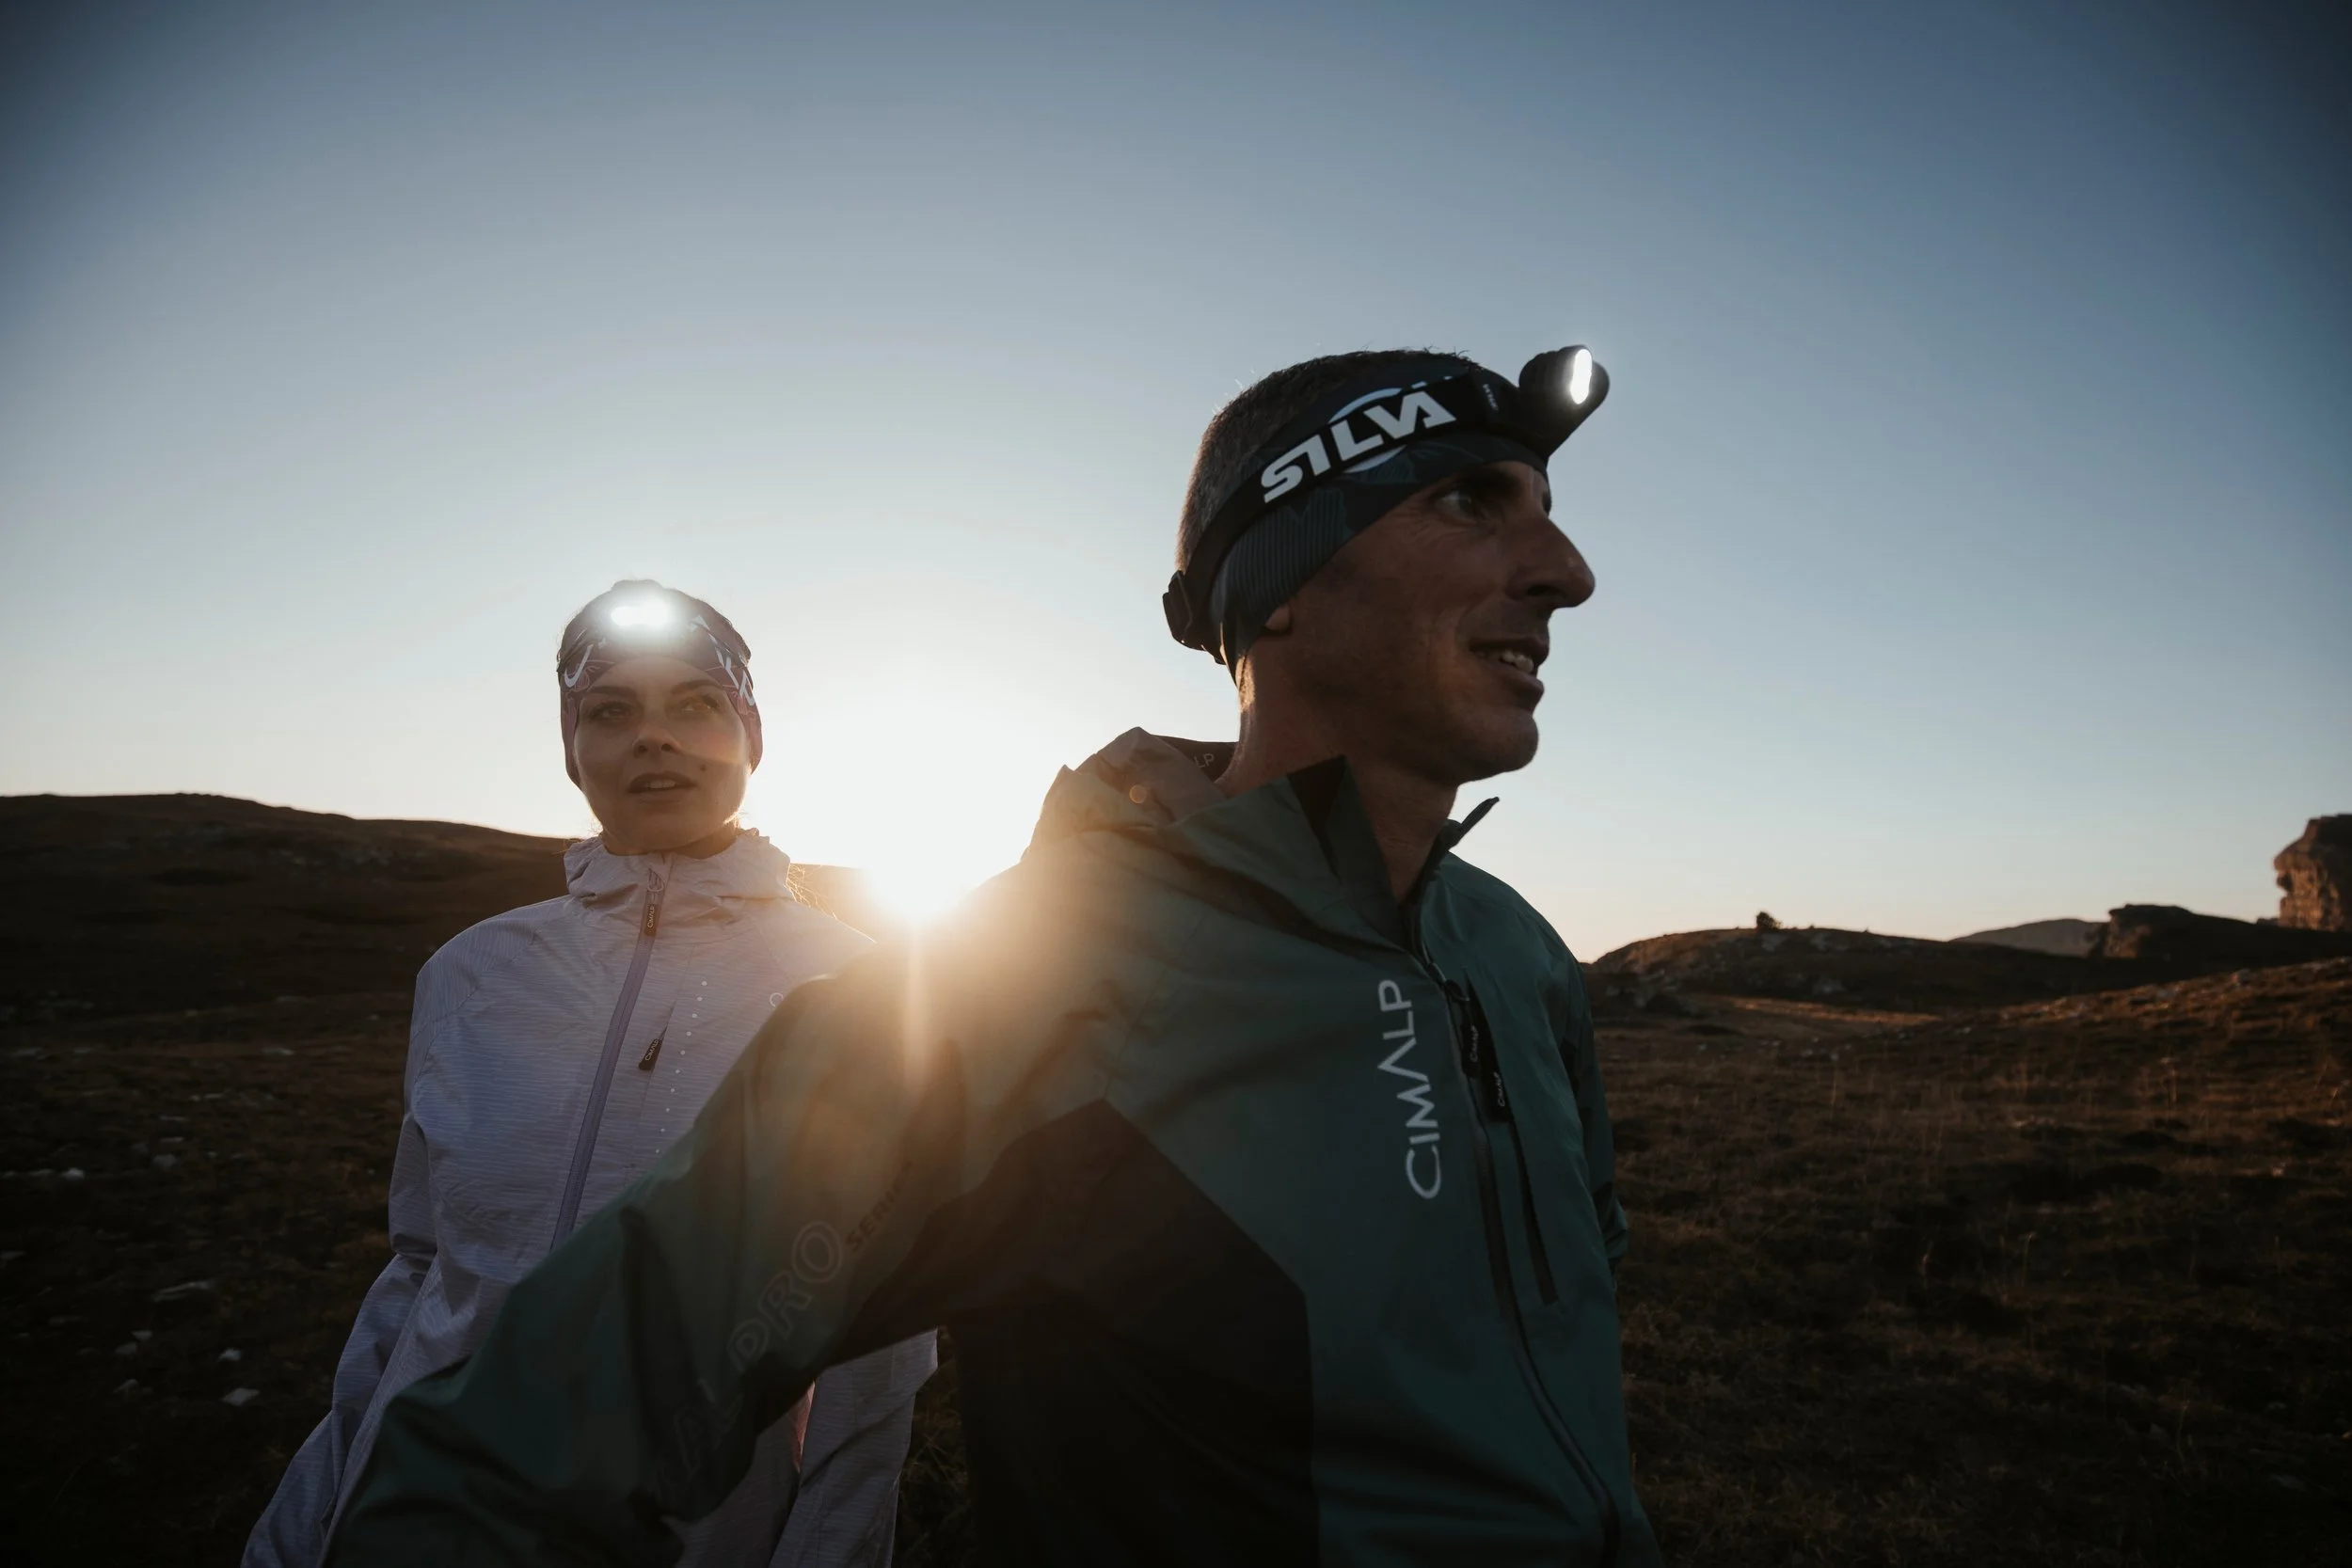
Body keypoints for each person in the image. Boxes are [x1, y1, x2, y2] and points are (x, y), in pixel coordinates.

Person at [330, 346, 1661, 1566]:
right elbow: (522, 1439)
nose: (1566, 570)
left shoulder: (1518, 951)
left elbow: (1574, 1292)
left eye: (1541, 506)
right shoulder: (1031, 981)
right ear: (1283, 587)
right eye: (1470, 503)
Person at [248, 581, 935, 1568]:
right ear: (572, 748)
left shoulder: (860, 989)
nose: (653, 736)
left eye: (695, 702)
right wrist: (307, 1520)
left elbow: (875, 1354)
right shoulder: (470, 973)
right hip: (422, 1512)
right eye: (610, 711)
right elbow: (419, 1268)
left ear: (750, 735)